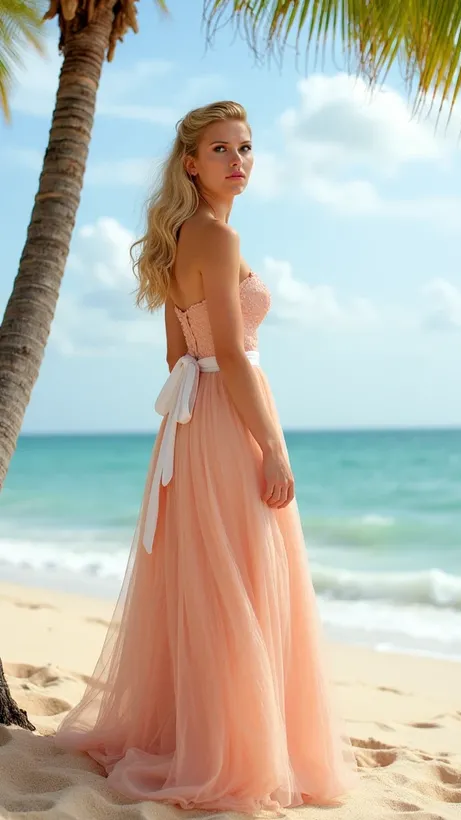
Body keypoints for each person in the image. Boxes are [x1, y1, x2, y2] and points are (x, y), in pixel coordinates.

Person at [54, 100, 357, 813]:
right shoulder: (218, 239)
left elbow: (175, 354)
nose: (238, 161)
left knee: (214, 586)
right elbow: (226, 352)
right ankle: (235, 753)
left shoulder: (174, 241)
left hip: (189, 427)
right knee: (244, 584)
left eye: (246, 148)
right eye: (221, 150)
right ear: (191, 162)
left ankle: (213, 736)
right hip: (224, 419)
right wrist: (273, 447)